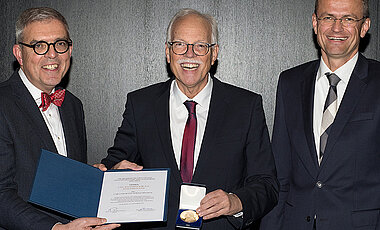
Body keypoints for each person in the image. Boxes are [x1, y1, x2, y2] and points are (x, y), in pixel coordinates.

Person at [94, 8, 278, 230]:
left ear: (214, 53)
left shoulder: (246, 106)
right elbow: (114, 162)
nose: (189, 54)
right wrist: (113, 173)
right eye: (180, 44)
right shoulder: (141, 104)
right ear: (168, 52)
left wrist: (235, 202)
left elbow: (266, 184)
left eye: (200, 46)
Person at [259, 0, 380, 229]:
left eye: (348, 19)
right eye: (328, 17)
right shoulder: (290, 82)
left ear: (364, 27)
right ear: (315, 23)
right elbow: (281, 174)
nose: (337, 28)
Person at [0, 7, 119, 230]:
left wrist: (103, 178)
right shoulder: (3, 103)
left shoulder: (73, 106)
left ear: (70, 50)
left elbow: (61, 182)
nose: (52, 54)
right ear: (19, 54)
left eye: (60, 44)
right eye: (39, 46)